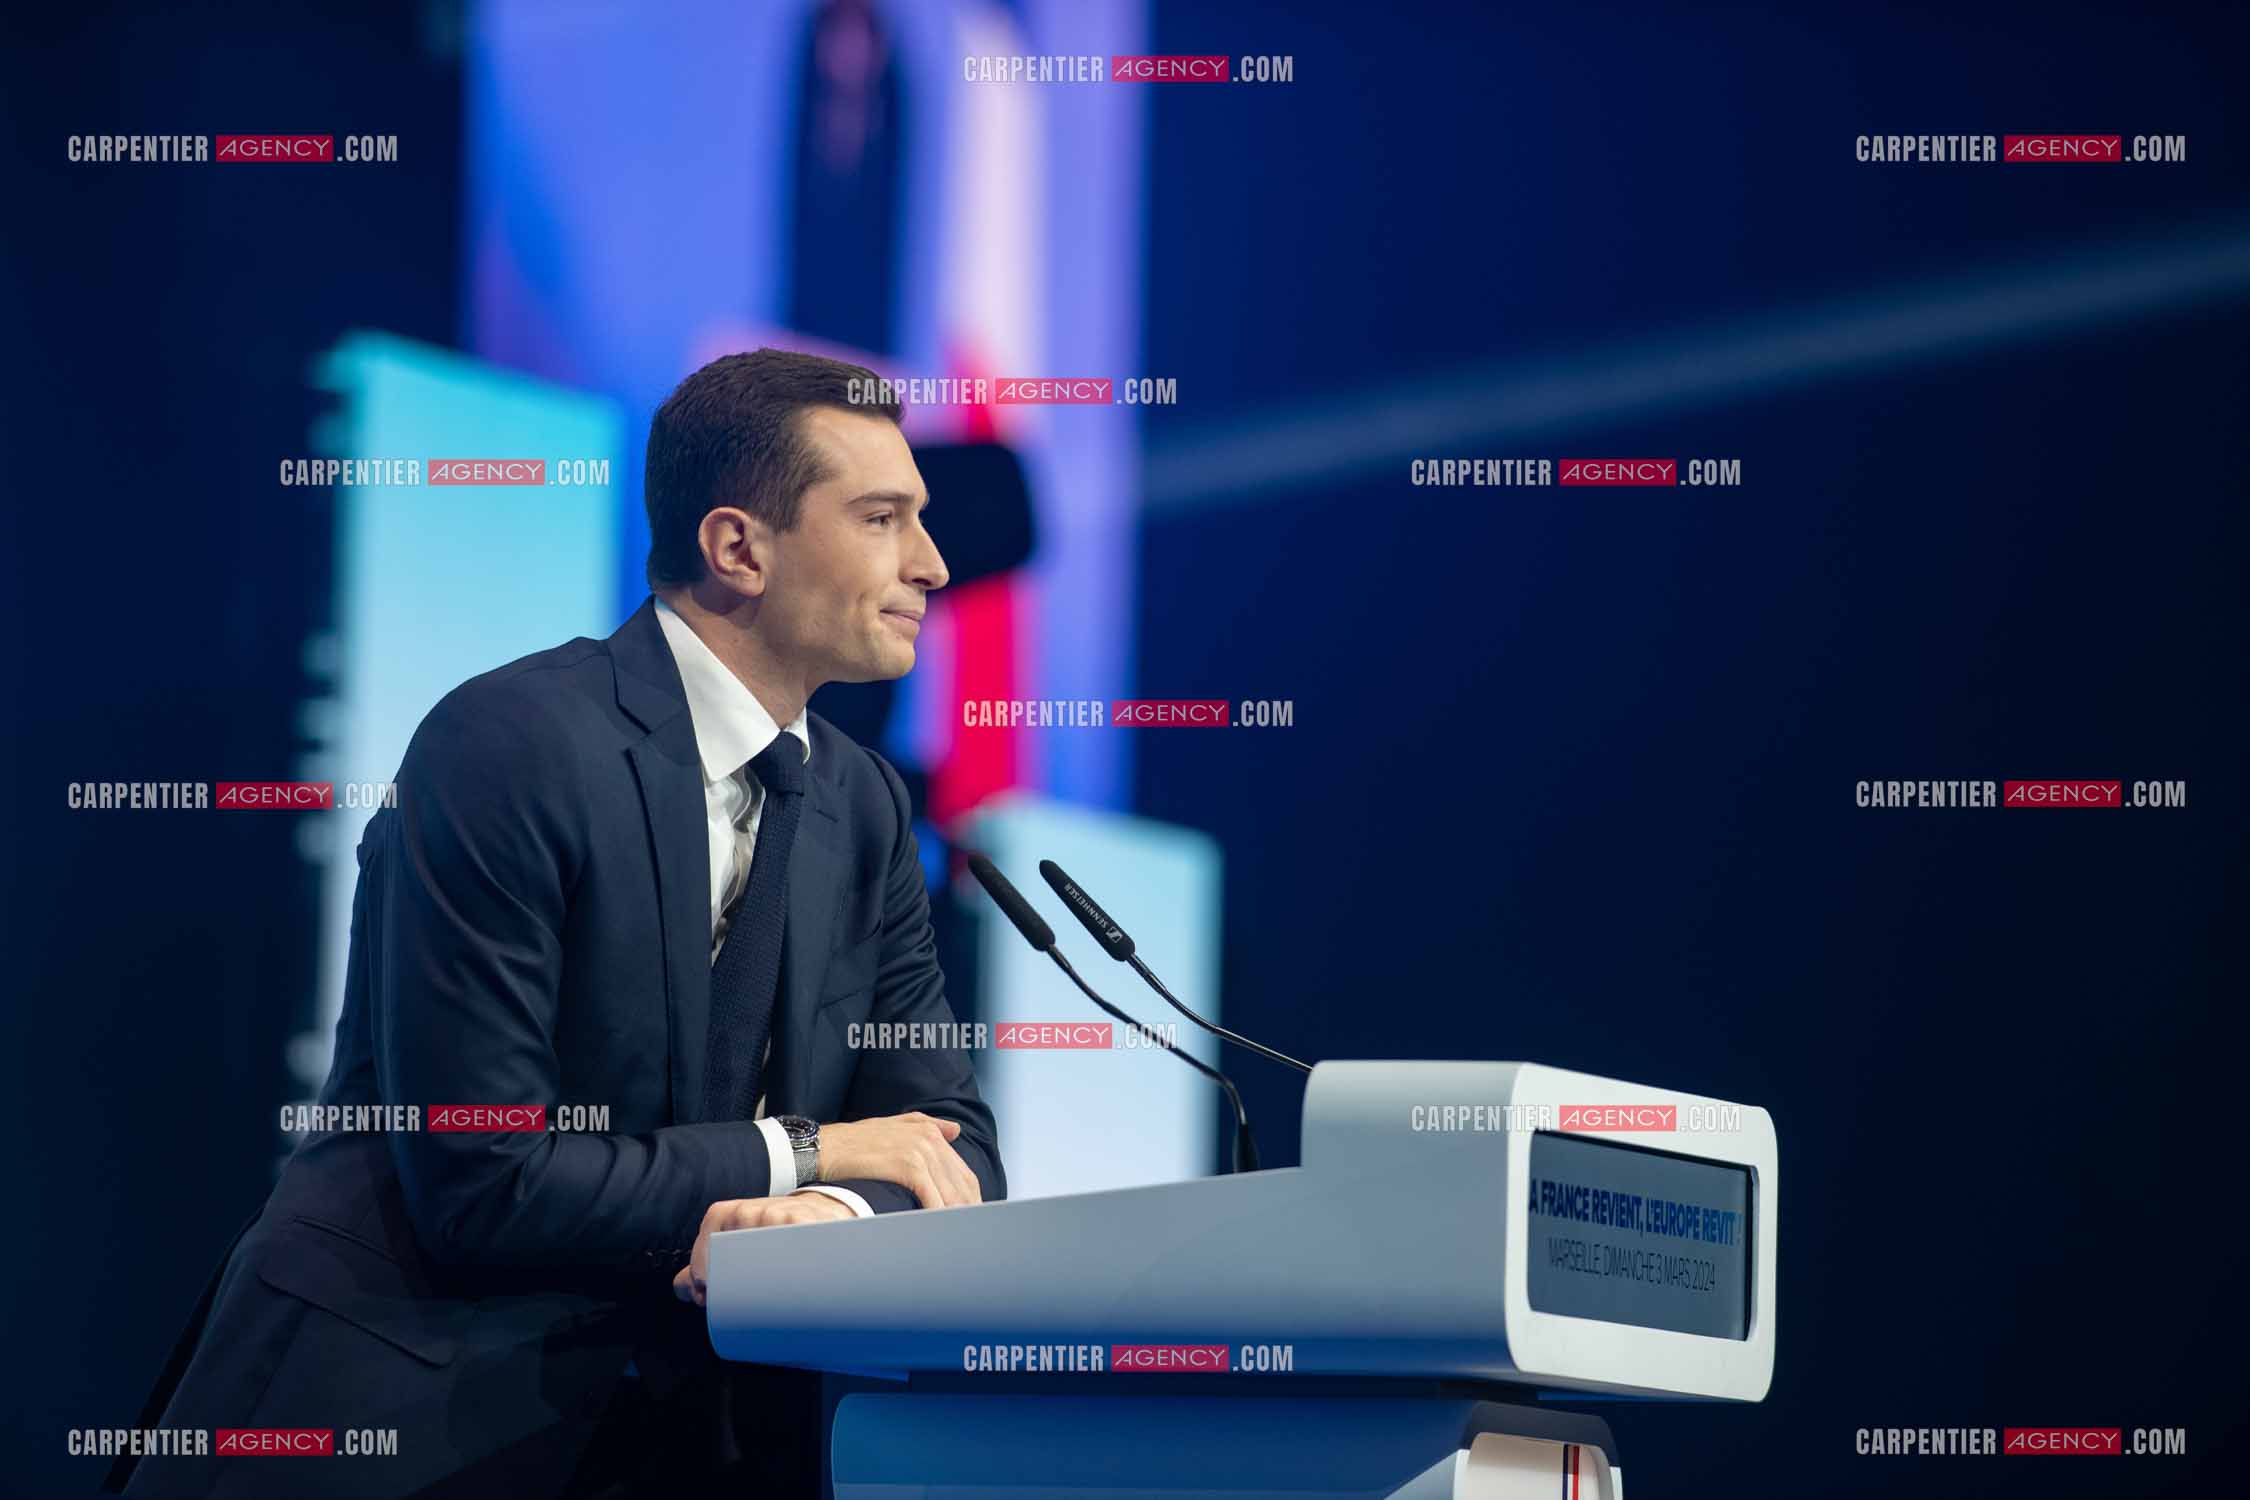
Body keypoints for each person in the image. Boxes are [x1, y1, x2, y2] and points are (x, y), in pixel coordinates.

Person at [109, 348, 1004, 1498]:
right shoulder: (511, 744)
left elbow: (952, 1143)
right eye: (883, 518)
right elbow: (485, 1181)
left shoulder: (864, 803)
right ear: (739, 549)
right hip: (392, 1416)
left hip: (676, 1439)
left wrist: (820, 1209)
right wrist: (811, 1148)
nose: (930, 564)